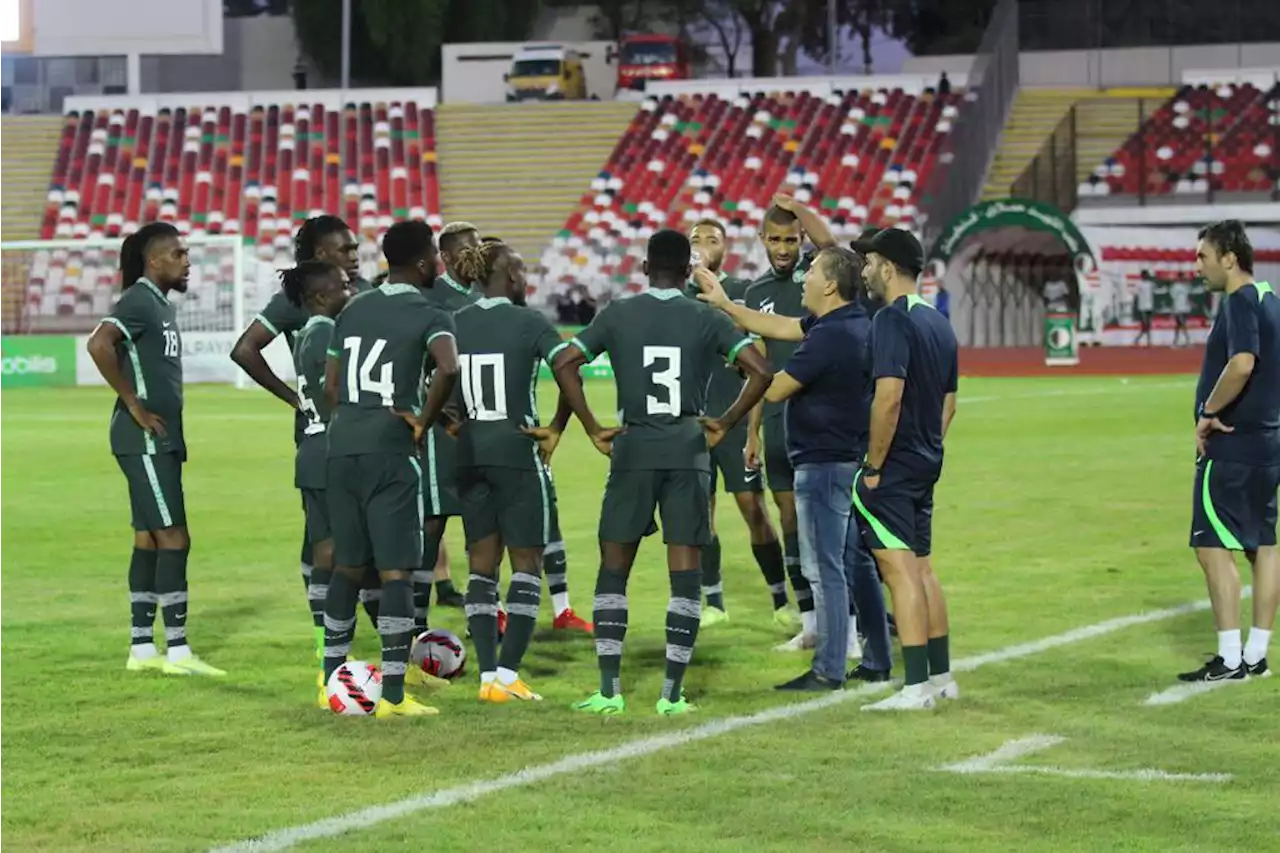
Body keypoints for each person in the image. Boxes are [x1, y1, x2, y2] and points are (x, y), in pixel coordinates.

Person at [552, 229, 773, 716]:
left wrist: (591, 426)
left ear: (646, 266)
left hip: (632, 451)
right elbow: (760, 370)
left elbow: (565, 362)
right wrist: (726, 423)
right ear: (687, 270)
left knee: (614, 568)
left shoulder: (618, 314)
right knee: (685, 575)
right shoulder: (705, 316)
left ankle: (609, 690)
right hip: (686, 452)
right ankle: (671, 695)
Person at [697, 247, 887, 691]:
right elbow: (780, 327)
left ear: (830, 285)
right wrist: (727, 305)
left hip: (823, 462)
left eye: (812, 272)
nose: (803, 278)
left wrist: (744, 362)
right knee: (854, 563)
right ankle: (876, 658)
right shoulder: (847, 321)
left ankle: (828, 668)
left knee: (824, 569)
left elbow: (777, 387)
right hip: (847, 458)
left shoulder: (829, 336)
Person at [321, 220, 460, 718]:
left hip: (343, 444)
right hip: (389, 448)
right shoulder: (431, 311)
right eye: (435, 260)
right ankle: (396, 696)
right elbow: (448, 367)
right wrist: (421, 420)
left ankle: (329, 679)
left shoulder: (353, 309)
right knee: (397, 571)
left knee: (348, 566)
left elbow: (331, 385)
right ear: (424, 263)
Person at [229, 215, 376, 652]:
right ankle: (325, 641)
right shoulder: (301, 302)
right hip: (324, 433)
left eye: (354, 248)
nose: (354, 256)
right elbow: (245, 348)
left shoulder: (364, 292)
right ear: (318, 257)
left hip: (365, 431)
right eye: (344, 249)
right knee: (326, 541)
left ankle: (380, 642)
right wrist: (292, 396)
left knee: (365, 542)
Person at [86, 222, 225, 677]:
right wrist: (134, 406)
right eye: (179, 254)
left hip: (157, 438)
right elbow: (98, 343)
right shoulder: (139, 300)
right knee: (175, 537)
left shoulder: (159, 304)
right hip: (143, 437)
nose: (188, 261)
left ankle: (143, 648)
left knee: (147, 538)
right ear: (154, 260)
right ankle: (179, 652)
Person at [450, 240, 584, 703]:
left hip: (467, 454)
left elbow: (434, 378)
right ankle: (508, 675)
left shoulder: (455, 321)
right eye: (521, 270)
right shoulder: (527, 320)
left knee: (481, 568)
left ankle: (487, 674)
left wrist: (451, 424)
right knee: (527, 563)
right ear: (508, 277)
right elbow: (570, 367)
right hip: (515, 449)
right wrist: (558, 427)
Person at [853, 227, 959, 711]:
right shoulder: (938, 322)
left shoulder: (891, 320)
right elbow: (949, 404)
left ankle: (915, 687)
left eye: (870, 261)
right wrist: (926, 447)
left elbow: (888, 397)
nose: (865, 271)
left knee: (899, 573)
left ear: (889, 267)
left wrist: (874, 466)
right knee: (922, 568)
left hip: (893, 466)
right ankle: (941, 676)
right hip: (925, 460)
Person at [1181, 220, 1280, 682]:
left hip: (1234, 446)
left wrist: (1208, 410)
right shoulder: (1271, 301)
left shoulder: (1239, 301)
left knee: (1211, 546)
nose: (1196, 265)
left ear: (1229, 258)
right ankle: (1257, 653)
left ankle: (1230, 659)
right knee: (1263, 545)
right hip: (1268, 445)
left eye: (1202, 256)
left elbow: (1242, 364)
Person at [742, 193, 839, 651]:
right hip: (779, 418)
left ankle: (849, 619)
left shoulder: (818, 276)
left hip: (821, 415)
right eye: (775, 239)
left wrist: (799, 208)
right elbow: (759, 365)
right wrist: (752, 431)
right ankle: (811, 622)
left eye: (791, 238)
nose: (783, 248)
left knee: (830, 523)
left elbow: (833, 246)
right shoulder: (755, 292)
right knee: (790, 523)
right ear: (762, 239)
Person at [687, 217, 784, 626]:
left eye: (713, 239)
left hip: (734, 420)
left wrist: (752, 429)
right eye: (696, 239)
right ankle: (713, 602)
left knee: (753, 509)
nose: (705, 244)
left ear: (727, 247)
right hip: (693, 425)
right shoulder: (677, 298)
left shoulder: (741, 295)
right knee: (699, 515)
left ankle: (781, 601)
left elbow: (759, 363)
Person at [280, 260, 355, 703]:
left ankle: (328, 649)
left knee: (327, 549)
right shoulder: (326, 332)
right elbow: (336, 393)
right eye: (344, 286)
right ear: (322, 296)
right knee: (336, 553)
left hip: (310, 450)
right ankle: (331, 652)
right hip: (327, 448)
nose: (351, 289)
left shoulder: (306, 332)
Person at [415, 221, 480, 618]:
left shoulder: (484, 297)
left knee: (484, 524)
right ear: (449, 257)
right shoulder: (433, 299)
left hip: (482, 424)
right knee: (434, 519)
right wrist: (434, 408)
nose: (478, 253)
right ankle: (416, 616)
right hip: (443, 430)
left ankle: (485, 612)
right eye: (470, 248)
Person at [1134, 270, 1155, 347]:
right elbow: (1136, 295)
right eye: (1145, 275)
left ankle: (1148, 342)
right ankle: (1138, 339)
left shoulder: (1150, 284)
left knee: (1148, 325)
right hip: (1142, 306)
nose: (1146, 276)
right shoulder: (1139, 284)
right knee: (1145, 324)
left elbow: (1153, 293)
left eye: (1147, 275)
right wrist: (1136, 306)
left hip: (1149, 306)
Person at [1171, 277, 1192, 348]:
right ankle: (1187, 340)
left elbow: (1188, 297)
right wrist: (1174, 309)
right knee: (1182, 324)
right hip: (1178, 308)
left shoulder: (1186, 287)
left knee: (1179, 325)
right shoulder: (1175, 286)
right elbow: (1173, 297)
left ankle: (1175, 342)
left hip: (1185, 309)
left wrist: (1190, 304)